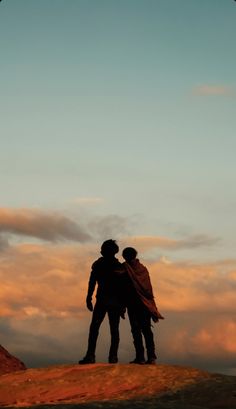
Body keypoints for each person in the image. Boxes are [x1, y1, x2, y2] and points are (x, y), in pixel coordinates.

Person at [79, 239, 123, 364]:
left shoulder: (99, 265)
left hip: (104, 301)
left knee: (95, 328)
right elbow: (123, 287)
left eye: (103, 249)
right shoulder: (118, 266)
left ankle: (91, 356)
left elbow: (92, 282)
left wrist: (89, 297)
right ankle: (112, 357)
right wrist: (122, 305)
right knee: (113, 330)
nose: (101, 251)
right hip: (113, 302)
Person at [121, 247, 164, 365]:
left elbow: (123, 288)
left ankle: (143, 357)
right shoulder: (142, 269)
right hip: (143, 303)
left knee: (139, 330)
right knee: (144, 330)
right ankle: (149, 357)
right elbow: (148, 289)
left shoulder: (125, 269)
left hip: (138, 304)